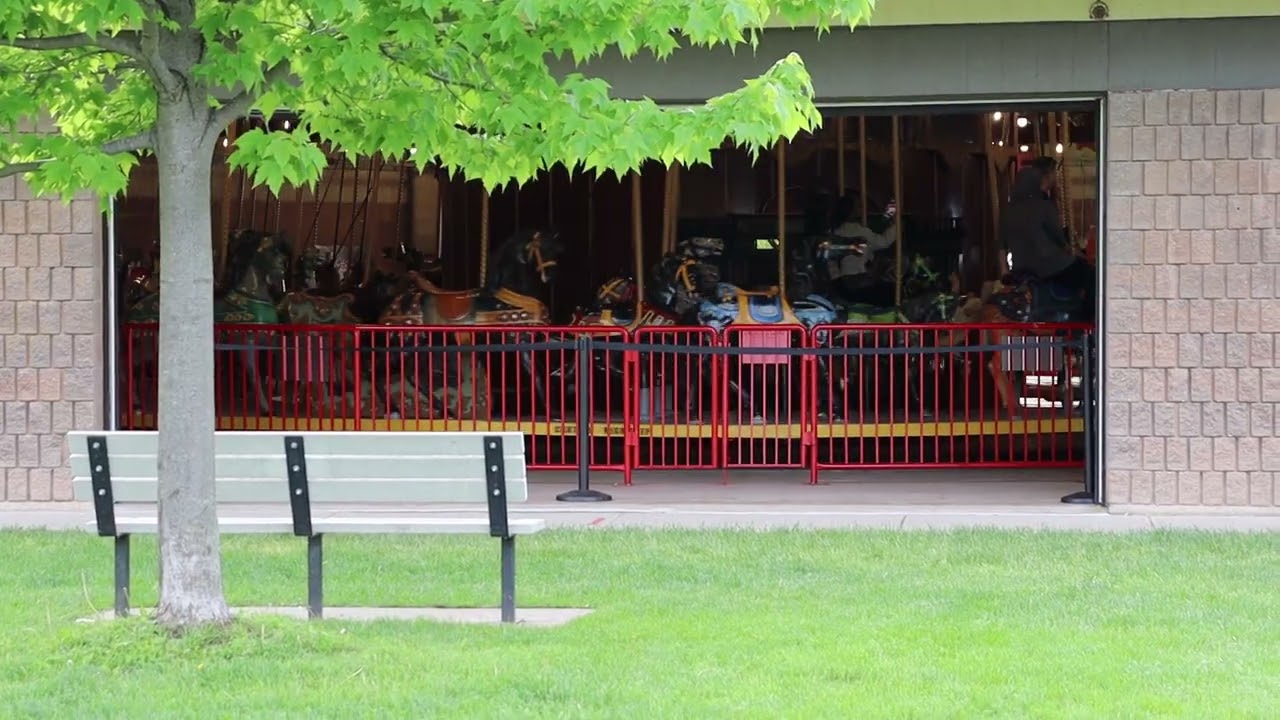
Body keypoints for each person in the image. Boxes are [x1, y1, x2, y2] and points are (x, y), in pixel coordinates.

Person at [1002, 157, 1095, 311]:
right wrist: (1073, 251)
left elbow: (1002, 243)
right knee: (1091, 276)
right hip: (1048, 265)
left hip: (1021, 266)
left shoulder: (1010, 210)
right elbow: (1058, 237)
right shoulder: (1042, 205)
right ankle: (1085, 318)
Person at [827, 195, 898, 307]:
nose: (861, 210)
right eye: (859, 207)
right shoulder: (860, 232)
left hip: (838, 283)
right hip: (856, 282)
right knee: (891, 291)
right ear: (852, 212)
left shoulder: (835, 230)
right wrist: (896, 226)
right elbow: (883, 242)